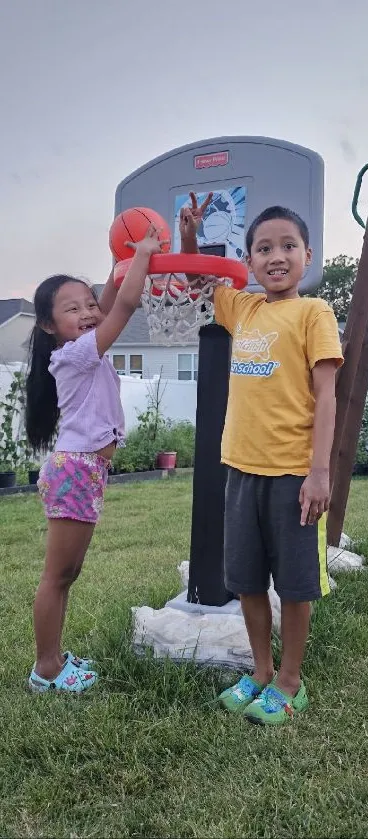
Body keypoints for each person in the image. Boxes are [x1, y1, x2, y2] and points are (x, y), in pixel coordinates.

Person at [179, 196, 343, 725]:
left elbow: (327, 396)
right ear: (249, 261)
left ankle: (292, 680)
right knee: (247, 580)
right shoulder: (243, 308)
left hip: (294, 473)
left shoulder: (314, 312)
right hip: (241, 471)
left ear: (308, 255)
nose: (277, 256)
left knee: (294, 585)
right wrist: (188, 238)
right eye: (264, 248)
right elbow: (201, 281)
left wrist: (320, 472)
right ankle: (262, 671)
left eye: (288, 246)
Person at [25, 227, 166, 693]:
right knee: (57, 575)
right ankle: (46, 668)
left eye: (89, 303)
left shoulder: (83, 348)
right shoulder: (76, 355)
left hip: (83, 469)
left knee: (68, 574)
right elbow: (121, 307)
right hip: (75, 470)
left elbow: (109, 300)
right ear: (48, 326)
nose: (88, 312)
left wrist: (120, 258)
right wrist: (144, 254)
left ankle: (54, 658)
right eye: (73, 309)